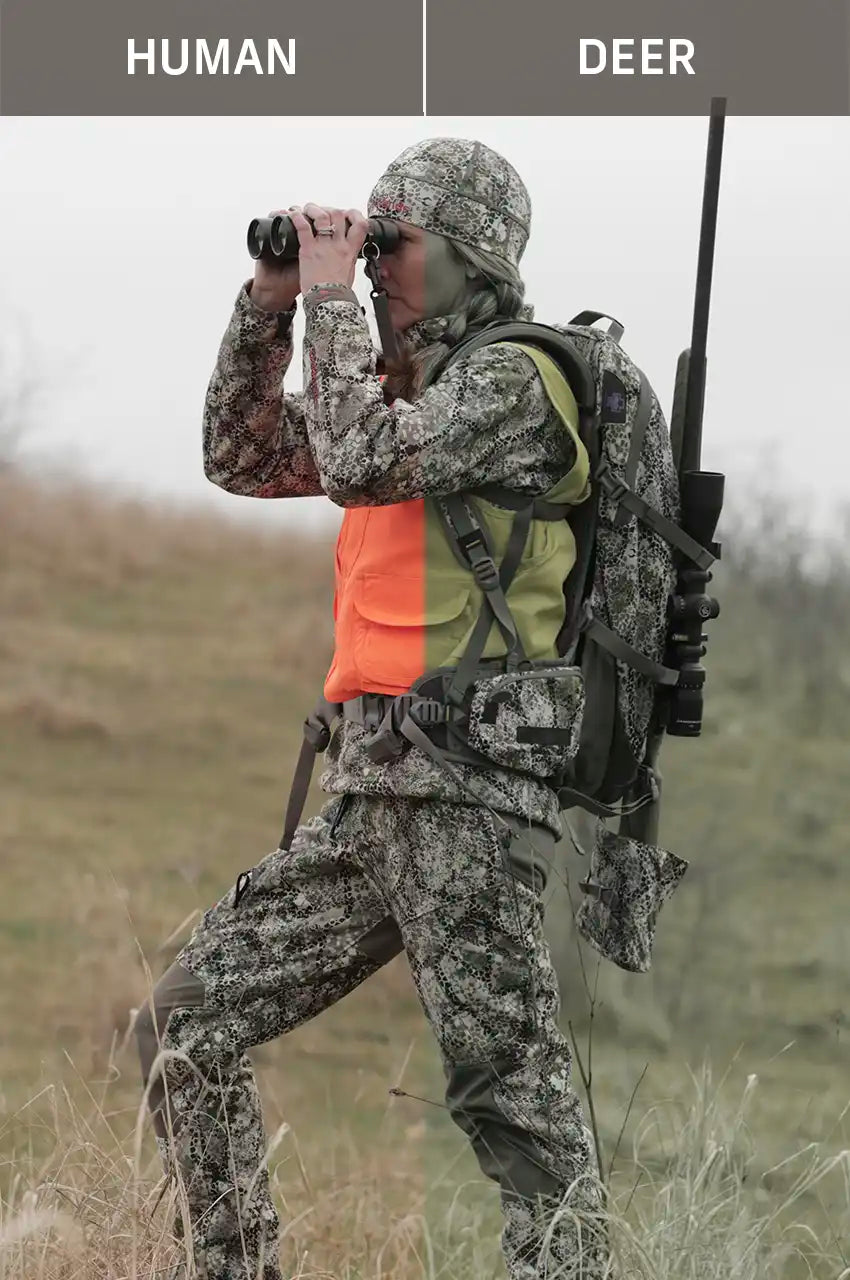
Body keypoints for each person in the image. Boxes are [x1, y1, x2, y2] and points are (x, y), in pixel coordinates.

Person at [136, 137, 609, 1280]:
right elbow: (242, 457)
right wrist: (271, 303)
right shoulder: (399, 391)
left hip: (462, 790)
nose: (378, 262)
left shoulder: (516, 384)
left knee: (515, 1098)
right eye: (372, 238)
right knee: (186, 1026)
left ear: (474, 259)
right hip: (371, 791)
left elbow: (355, 460)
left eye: (400, 244)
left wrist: (336, 303)